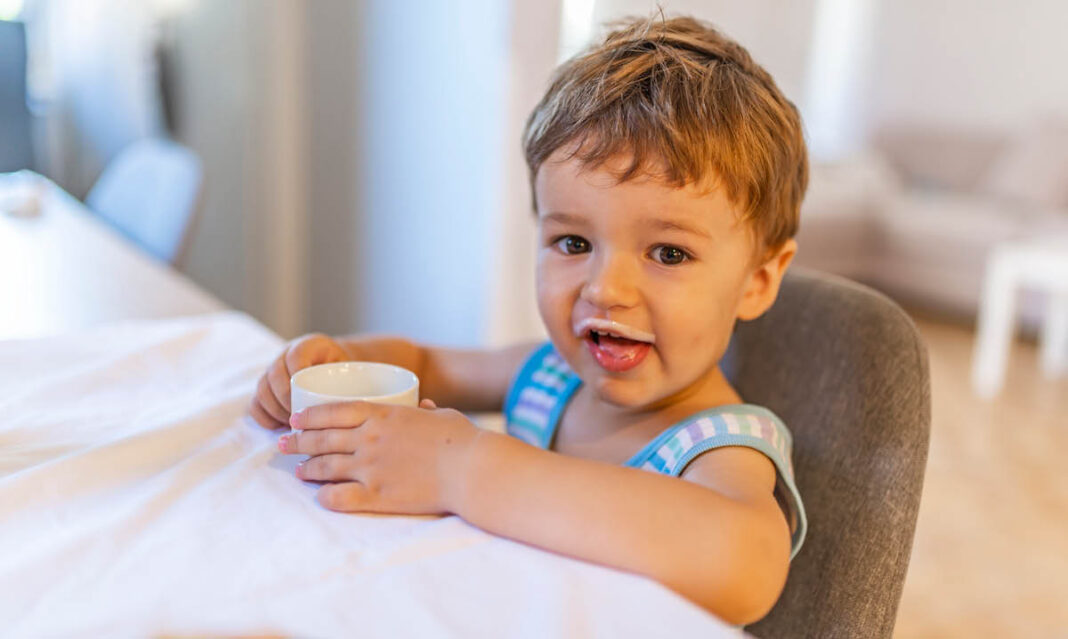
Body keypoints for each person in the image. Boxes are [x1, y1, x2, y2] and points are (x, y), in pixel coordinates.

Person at [249, 14, 808, 627]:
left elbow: (744, 562)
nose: (605, 289)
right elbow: (426, 364)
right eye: (574, 243)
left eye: (668, 253)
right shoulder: (548, 377)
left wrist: (461, 468)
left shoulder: (719, 446)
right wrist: (338, 363)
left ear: (758, 281)